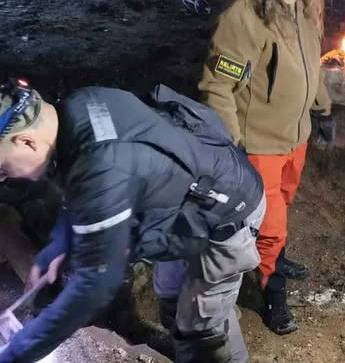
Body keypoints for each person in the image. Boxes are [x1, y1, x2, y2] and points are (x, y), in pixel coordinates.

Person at [0, 79, 265, 363]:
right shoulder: (76, 107)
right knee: (174, 300)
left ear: (26, 141)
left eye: (2, 167)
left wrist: (15, 354)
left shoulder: (100, 166)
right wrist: (58, 247)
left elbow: (95, 287)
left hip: (228, 213)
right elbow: (83, 190)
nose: (3, 177)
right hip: (187, 202)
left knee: (202, 331)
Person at [198, 0, 333, 335]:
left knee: (284, 204)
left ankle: (277, 258)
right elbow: (218, 87)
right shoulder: (243, 19)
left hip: (295, 137)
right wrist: (230, 145)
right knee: (270, 225)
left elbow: (312, 67)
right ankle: (273, 294)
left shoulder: (302, 9)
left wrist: (322, 110)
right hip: (258, 144)